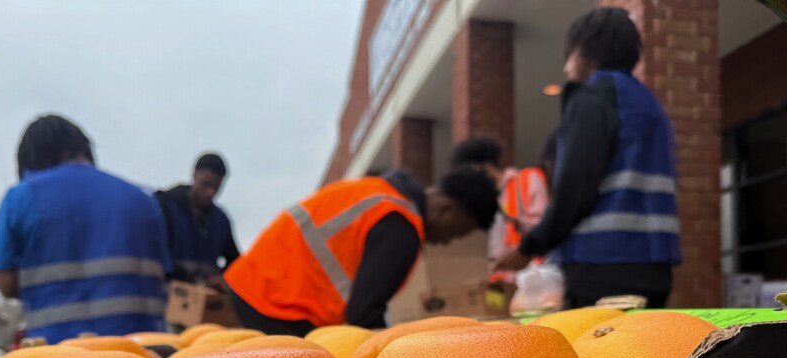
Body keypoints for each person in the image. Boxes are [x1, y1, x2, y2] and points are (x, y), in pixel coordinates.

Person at [492, 7, 681, 309]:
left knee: (599, 353)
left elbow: (575, 188)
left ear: (585, 51)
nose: (566, 69)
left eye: (568, 57)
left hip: (601, 263)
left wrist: (528, 248)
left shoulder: (593, 99)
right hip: (655, 264)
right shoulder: (650, 105)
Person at [224, 167, 498, 335]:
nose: (447, 241)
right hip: (276, 302)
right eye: (455, 232)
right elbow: (364, 315)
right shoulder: (400, 225)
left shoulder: (381, 195)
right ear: (446, 209)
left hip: (260, 286)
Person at [0, 114, 170, 343]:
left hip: (55, 357)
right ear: (84, 150)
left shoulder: (20, 197)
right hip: (143, 355)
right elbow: (162, 275)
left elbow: (6, 285)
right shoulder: (144, 199)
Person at [450, 138, 550, 285]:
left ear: (485, 167)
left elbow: (546, 226)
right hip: (507, 284)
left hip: (536, 277)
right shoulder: (491, 199)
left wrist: (516, 223)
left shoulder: (528, 180)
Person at [155, 153, 240, 289]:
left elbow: (236, 262)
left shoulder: (222, 221)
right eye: (206, 185)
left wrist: (223, 278)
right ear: (194, 175)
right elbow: (153, 254)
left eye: (216, 188)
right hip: (167, 298)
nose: (210, 193)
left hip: (204, 302)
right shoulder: (164, 208)